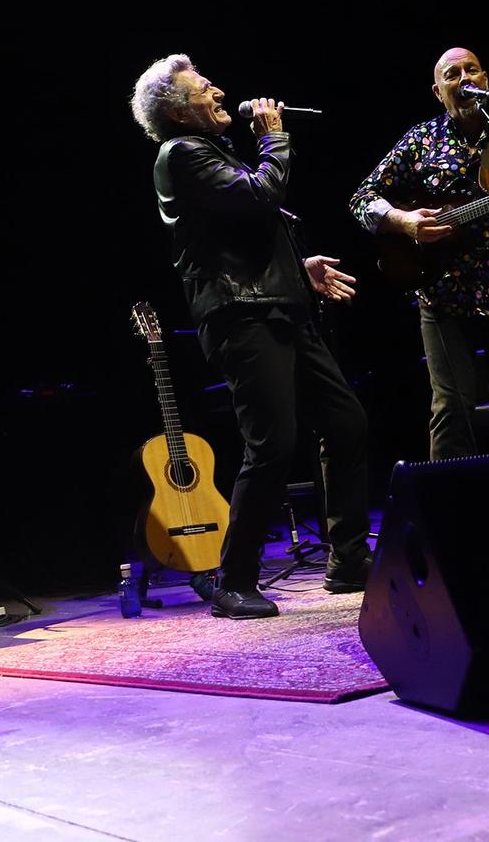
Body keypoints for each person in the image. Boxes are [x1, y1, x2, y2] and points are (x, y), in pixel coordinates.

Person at [130, 53, 371, 619]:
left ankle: (350, 559)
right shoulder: (181, 153)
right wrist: (276, 139)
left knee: (346, 422)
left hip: (280, 306)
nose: (219, 92)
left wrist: (299, 266)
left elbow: (245, 227)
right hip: (240, 317)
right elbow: (260, 196)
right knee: (273, 445)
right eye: (205, 87)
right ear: (177, 110)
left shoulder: (212, 151)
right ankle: (234, 580)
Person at [348, 47, 489, 460]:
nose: (464, 78)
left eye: (471, 70)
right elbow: (362, 199)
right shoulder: (420, 141)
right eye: (452, 74)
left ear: (486, 79)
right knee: (452, 407)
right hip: (442, 293)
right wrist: (405, 223)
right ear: (439, 91)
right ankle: (449, 509)